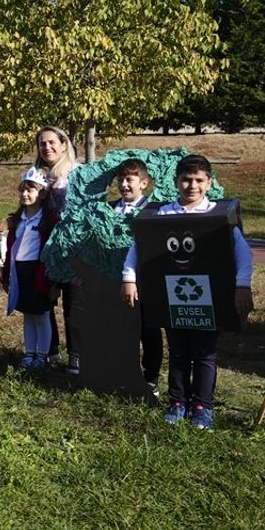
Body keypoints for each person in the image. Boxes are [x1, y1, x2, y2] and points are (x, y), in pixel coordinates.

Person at [121, 154, 253, 430]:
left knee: (205, 353)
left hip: (210, 296)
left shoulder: (218, 215)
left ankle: (202, 406)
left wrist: (242, 285)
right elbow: (140, 247)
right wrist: (129, 278)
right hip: (171, 295)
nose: (192, 186)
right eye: (186, 180)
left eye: (198, 180)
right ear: (176, 182)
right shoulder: (162, 215)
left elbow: (242, 253)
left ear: (209, 182)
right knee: (179, 351)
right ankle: (178, 402)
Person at [32, 126, 81, 374]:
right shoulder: (35, 176)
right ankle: (49, 350)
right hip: (43, 249)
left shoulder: (76, 174)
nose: (47, 147)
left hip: (73, 251)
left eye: (52, 142)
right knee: (44, 301)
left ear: (64, 144)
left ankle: (77, 356)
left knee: (73, 307)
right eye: (42, 144)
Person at [110, 158, 160, 394]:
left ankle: (150, 378)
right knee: (121, 329)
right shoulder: (109, 209)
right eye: (121, 180)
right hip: (113, 278)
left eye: (130, 180)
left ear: (144, 183)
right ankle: (124, 373)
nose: (124, 185)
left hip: (145, 280)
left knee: (148, 329)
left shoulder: (153, 210)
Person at [1, 167, 57, 370]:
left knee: (41, 315)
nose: (25, 194)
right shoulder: (17, 220)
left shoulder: (49, 221)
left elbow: (53, 253)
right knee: (27, 315)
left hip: (39, 273)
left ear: (41, 193)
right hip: (21, 272)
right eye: (22, 190)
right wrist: (7, 276)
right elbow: (11, 251)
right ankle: (29, 353)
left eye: (30, 190)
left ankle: (43, 355)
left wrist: (54, 282)